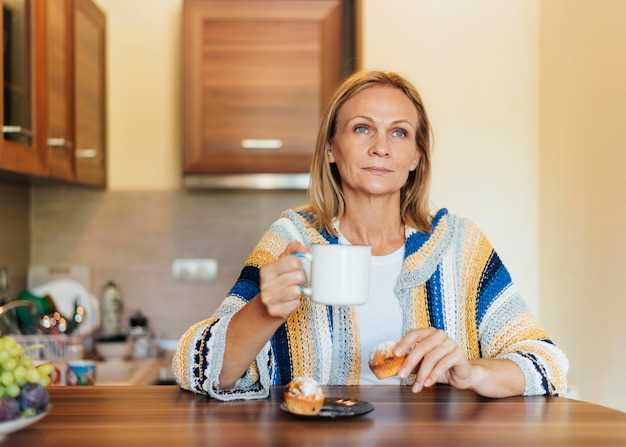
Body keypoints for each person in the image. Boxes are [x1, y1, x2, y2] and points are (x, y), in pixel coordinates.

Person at [172, 70, 568, 401]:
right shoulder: (291, 238)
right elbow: (198, 371)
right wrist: (264, 310)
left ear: (416, 156)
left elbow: (547, 365)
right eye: (363, 129)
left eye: (399, 133)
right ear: (331, 148)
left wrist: (471, 371)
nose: (381, 147)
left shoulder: (460, 246)